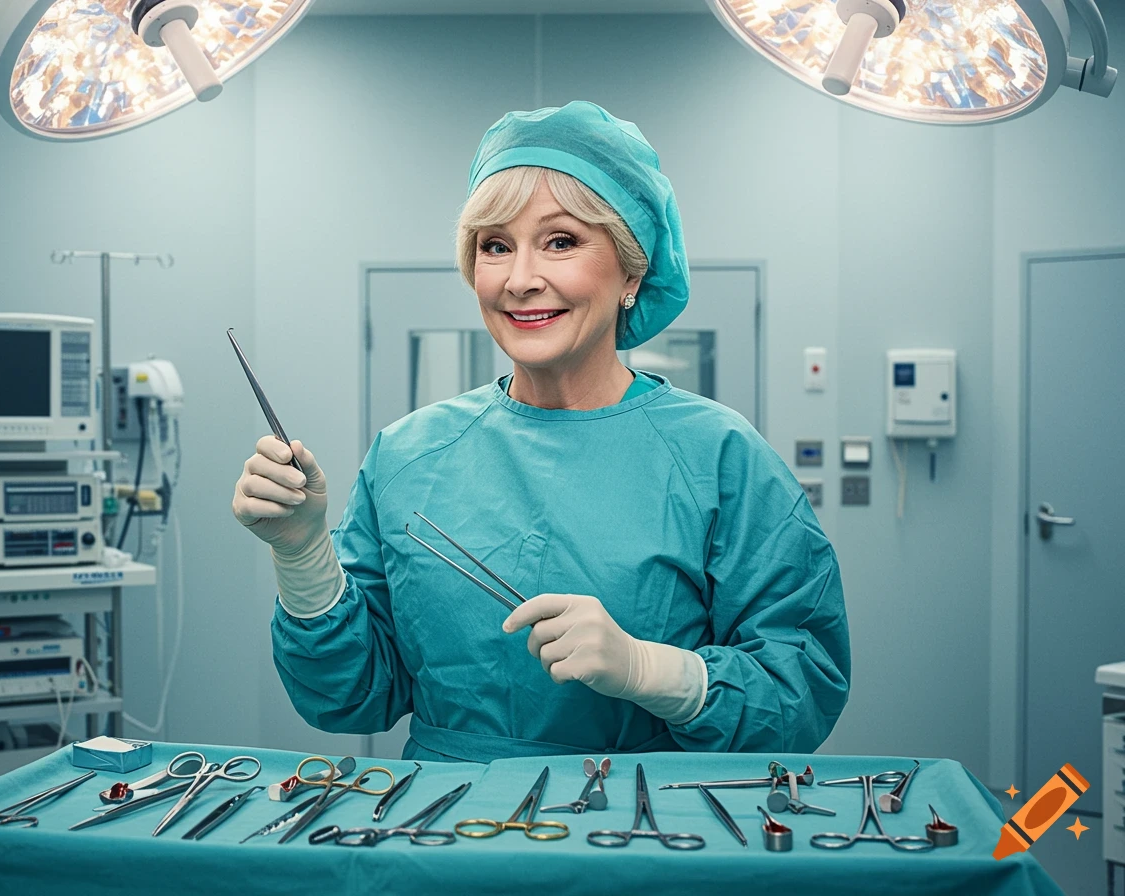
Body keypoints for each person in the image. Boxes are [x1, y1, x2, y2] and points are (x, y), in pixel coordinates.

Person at [233, 101, 850, 763]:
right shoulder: (409, 455)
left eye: (561, 241)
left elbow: (800, 692)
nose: (522, 280)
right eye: (495, 246)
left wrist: (654, 672)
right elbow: (352, 697)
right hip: (445, 836)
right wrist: (302, 557)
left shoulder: (720, 456)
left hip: (650, 835)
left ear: (633, 275)